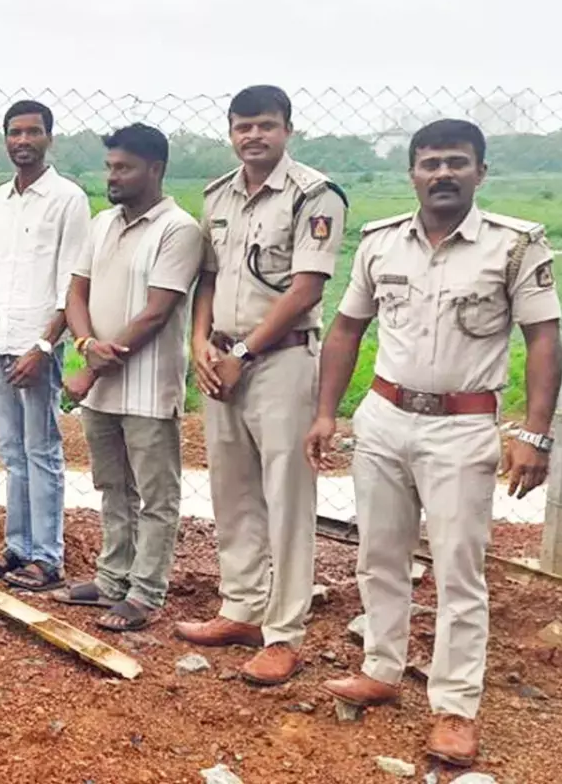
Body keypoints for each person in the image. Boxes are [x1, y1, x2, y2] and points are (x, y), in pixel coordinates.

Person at [307, 120, 562, 768]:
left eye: (456, 162)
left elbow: (543, 340)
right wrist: (325, 414)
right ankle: (381, 669)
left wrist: (534, 433)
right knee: (379, 556)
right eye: (430, 163)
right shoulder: (381, 244)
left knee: (458, 572)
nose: (442, 173)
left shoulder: (513, 245)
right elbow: (345, 330)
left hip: (462, 427)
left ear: (481, 170)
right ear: (412, 172)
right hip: (385, 418)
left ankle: (454, 708)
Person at [176, 85, 347, 687]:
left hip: (280, 361)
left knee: (286, 494)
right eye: (244, 126)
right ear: (230, 131)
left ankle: (283, 633)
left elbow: (307, 287)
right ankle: (241, 607)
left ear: (287, 130)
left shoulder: (314, 195)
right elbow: (208, 277)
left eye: (266, 126)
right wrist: (201, 342)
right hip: (221, 358)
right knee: (232, 487)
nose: (254, 136)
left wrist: (245, 353)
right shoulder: (218, 194)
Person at [51, 124, 202, 631]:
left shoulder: (179, 229)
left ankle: (146, 592)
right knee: (113, 487)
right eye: (110, 166)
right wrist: (83, 343)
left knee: (156, 495)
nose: (113, 176)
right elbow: (76, 293)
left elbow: (157, 312)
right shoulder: (102, 224)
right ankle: (113, 579)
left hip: (149, 389)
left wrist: (88, 369)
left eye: (124, 168)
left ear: (155, 169)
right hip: (102, 387)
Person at [0, 100, 89, 589]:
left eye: (32, 132)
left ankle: (48, 557)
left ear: (48, 138)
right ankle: (16, 548)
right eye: (15, 133)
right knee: (11, 451)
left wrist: (44, 345)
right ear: (5, 139)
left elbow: (71, 285)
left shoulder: (68, 199)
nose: (23, 141)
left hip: (37, 346)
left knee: (42, 450)